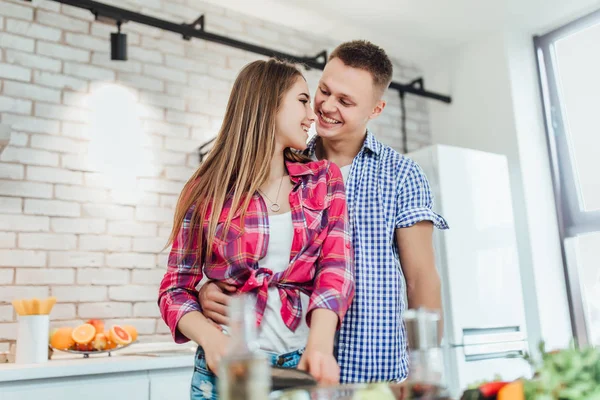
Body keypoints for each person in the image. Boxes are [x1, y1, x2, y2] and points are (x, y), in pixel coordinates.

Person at [198, 40, 449, 384]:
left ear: (376, 109)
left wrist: (425, 367)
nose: (326, 107)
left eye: (345, 101)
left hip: (371, 365)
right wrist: (206, 291)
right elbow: (253, 256)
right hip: (295, 363)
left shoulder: (400, 175)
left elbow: (421, 279)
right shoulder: (284, 161)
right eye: (324, 91)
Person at [157, 59, 355, 399]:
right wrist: (211, 338)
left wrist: (320, 345)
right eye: (303, 100)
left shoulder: (324, 179)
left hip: (301, 363)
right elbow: (174, 289)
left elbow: (335, 270)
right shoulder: (207, 190)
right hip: (230, 367)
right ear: (268, 102)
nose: (313, 115)